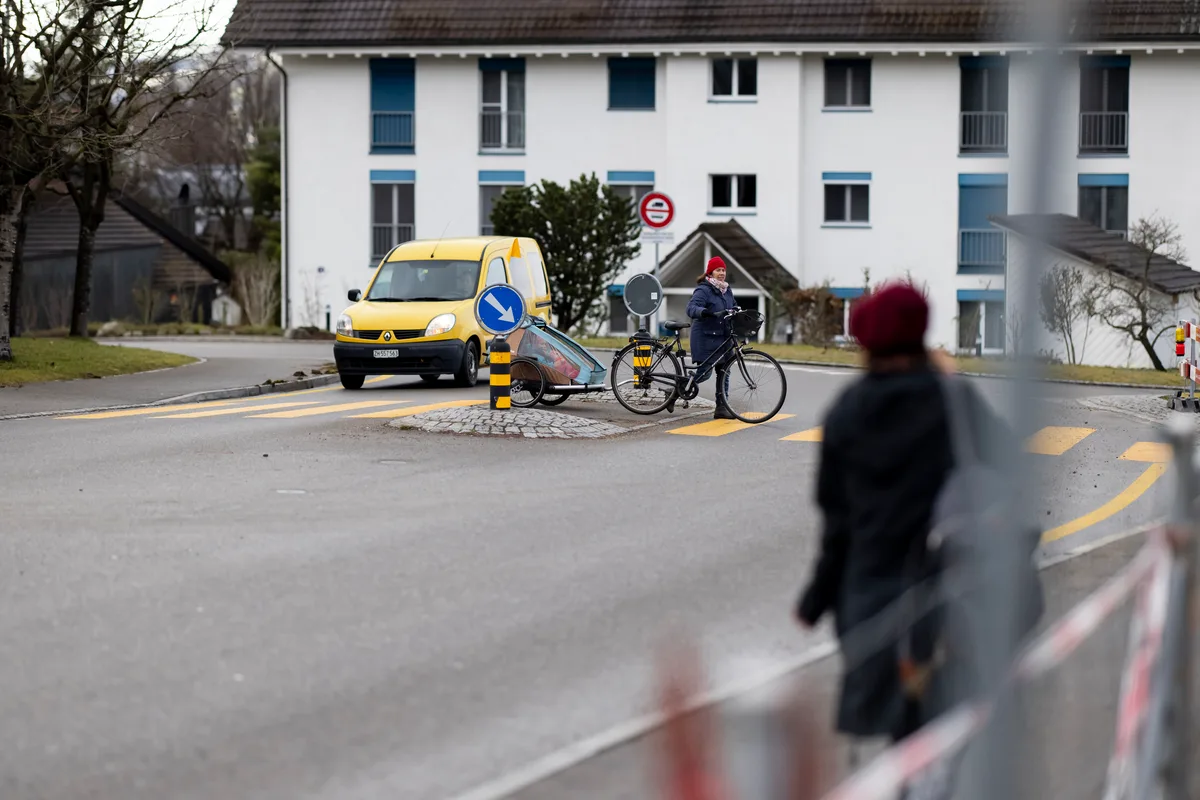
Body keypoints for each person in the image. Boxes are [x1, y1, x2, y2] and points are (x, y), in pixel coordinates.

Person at [793, 281, 1040, 760]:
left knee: (901, 749)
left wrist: (815, 599)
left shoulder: (848, 412)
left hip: (874, 605)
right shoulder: (954, 402)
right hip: (955, 595)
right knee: (962, 741)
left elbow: (836, 525)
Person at [686, 256, 738, 419]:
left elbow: (732, 305)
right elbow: (691, 308)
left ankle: (722, 407)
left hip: (723, 338)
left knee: (724, 372)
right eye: (718, 270)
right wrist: (703, 311)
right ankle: (678, 389)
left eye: (723, 270)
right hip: (706, 338)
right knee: (705, 373)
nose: (722, 273)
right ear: (711, 272)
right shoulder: (704, 289)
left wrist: (737, 310)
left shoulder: (726, 290)